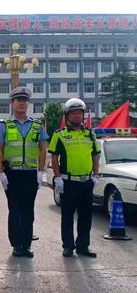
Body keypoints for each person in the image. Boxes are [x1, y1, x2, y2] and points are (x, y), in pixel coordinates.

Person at [0, 87, 48, 258]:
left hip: (30, 174)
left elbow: (42, 149)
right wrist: (1, 173)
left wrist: (41, 172)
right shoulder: (5, 126)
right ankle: (16, 244)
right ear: (12, 103)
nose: (22, 103)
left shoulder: (37, 126)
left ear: (28, 103)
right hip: (12, 174)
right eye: (19, 100)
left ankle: (26, 244)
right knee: (14, 209)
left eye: (25, 100)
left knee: (28, 211)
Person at [49, 98, 100, 258]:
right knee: (67, 216)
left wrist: (96, 175)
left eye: (79, 113)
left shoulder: (90, 134)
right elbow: (54, 157)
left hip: (86, 182)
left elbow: (95, 155)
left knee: (86, 216)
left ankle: (83, 246)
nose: (77, 116)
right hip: (68, 182)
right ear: (67, 116)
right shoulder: (60, 135)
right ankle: (68, 246)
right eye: (73, 113)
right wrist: (57, 178)